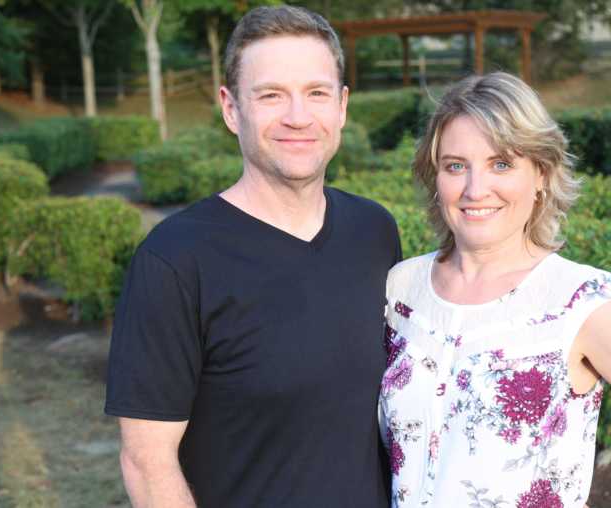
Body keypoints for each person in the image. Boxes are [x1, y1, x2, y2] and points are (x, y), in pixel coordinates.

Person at [379, 72, 611, 508]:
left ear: (542, 176)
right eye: (456, 165)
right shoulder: (402, 288)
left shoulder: (577, 301)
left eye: (501, 164)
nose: (475, 189)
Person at [105, 6, 401, 507]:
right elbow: (147, 462)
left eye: (316, 93)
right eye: (271, 95)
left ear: (342, 107)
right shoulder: (174, 260)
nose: (298, 116)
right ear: (230, 108)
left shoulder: (374, 231)